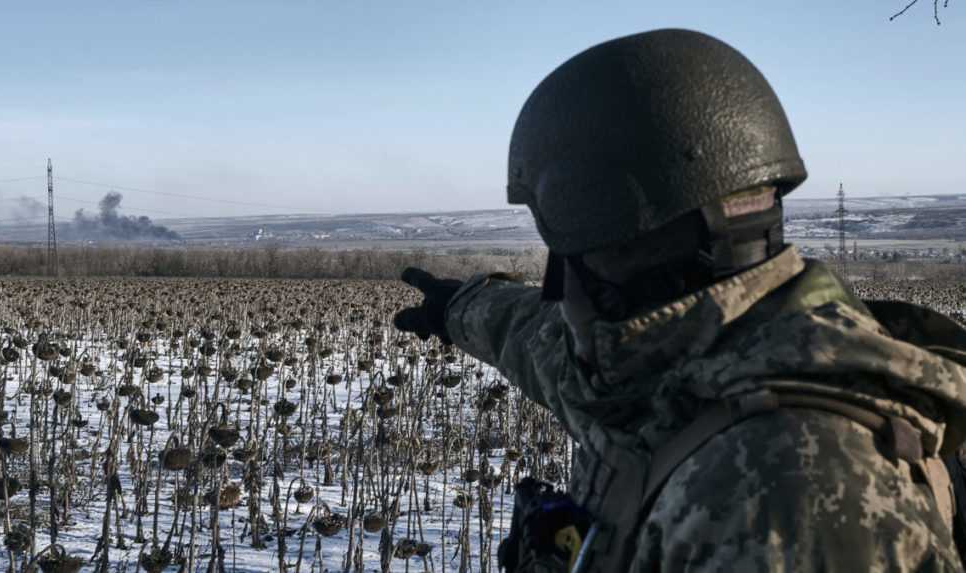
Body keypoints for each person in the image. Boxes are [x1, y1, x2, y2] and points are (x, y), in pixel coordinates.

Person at [394, 29, 966, 571]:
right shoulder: (668, 363)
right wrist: (458, 307)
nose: (558, 286)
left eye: (567, 250)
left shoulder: (789, 494)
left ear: (617, 242)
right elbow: (539, 342)